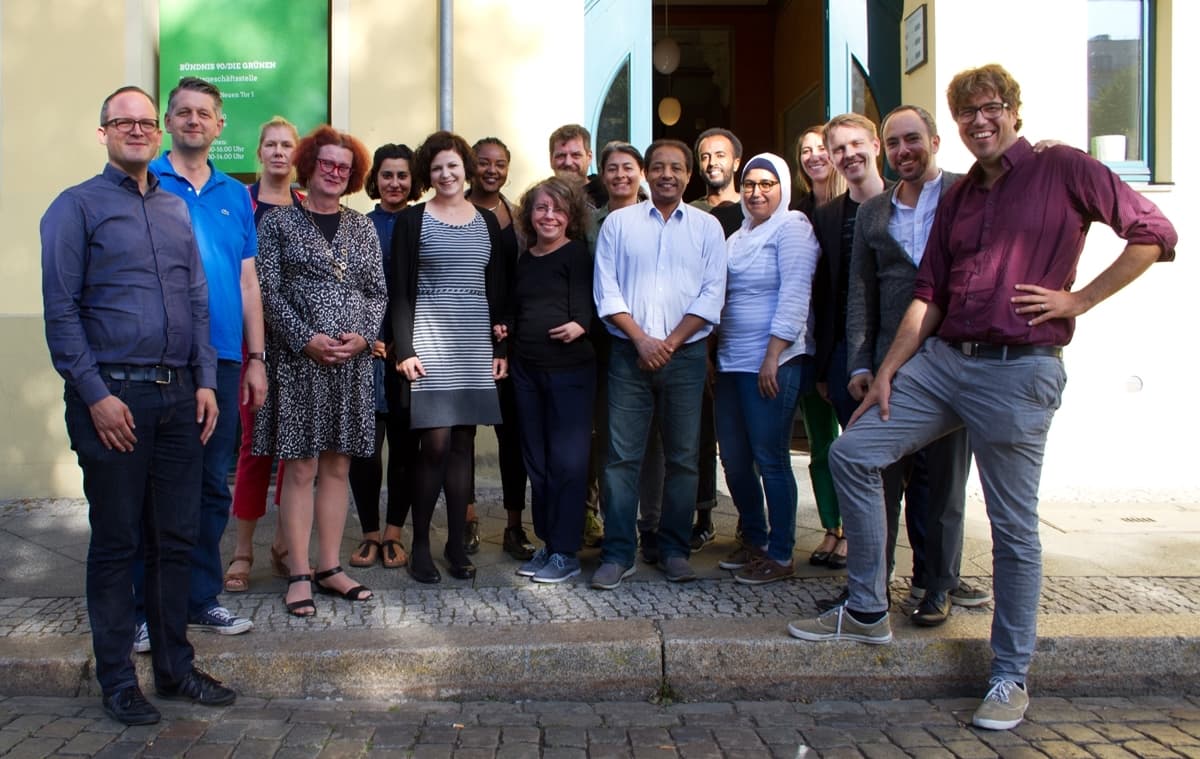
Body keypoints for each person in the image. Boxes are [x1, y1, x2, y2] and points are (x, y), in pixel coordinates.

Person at [787, 64, 1177, 733]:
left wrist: (1078, 299)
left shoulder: (1064, 168)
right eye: (967, 112)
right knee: (854, 452)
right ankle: (869, 608)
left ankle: (1009, 674)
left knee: (1011, 529)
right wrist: (886, 373)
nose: (979, 121)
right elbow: (927, 294)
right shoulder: (963, 196)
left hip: (1017, 369)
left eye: (989, 108)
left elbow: (1154, 234)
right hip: (941, 362)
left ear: (1013, 111)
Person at [41, 85, 236, 725]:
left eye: (145, 122)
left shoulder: (176, 212)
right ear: (102, 133)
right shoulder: (75, 208)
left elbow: (198, 302)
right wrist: (95, 396)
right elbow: (62, 313)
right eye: (122, 121)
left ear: (156, 135)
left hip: (181, 396)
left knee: (174, 538)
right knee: (119, 540)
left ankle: (176, 670)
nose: (136, 129)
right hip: (114, 398)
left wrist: (206, 381)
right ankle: (118, 678)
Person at [844, 105, 989, 625]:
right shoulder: (872, 212)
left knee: (944, 484)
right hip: (890, 363)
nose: (904, 151)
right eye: (895, 143)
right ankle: (870, 588)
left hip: (953, 359)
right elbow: (860, 290)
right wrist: (861, 361)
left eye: (913, 140)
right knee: (878, 478)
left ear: (934, 140)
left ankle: (935, 584)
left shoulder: (965, 194)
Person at [128, 77, 260, 647]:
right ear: (167, 122)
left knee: (211, 485)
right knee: (153, 487)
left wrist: (257, 357)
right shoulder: (145, 181)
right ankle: (141, 607)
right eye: (182, 112)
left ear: (220, 125)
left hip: (227, 358)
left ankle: (199, 597)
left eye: (204, 113)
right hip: (167, 358)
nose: (193, 121)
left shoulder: (236, 194)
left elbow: (249, 280)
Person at [254, 125, 386, 616]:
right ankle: (299, 573)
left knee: (338, 466)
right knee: (301, 467)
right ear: (308, 166)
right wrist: (305, 339)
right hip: (298, 364)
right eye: (327, 163)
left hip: (349, 365)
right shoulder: (278, 224)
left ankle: (330, 568)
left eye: (344, 167)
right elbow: (268, 291)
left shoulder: (361, 227)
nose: (335, 171)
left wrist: (362, 337)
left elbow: (377, 291)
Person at [591, 139, 727, 589]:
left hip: (685, 356)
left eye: (677, 167)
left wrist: (667, 342)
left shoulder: (707, 228)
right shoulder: (618, 223)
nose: (667, 174)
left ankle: (673, 549)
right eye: (659, 167)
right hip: (629, 356)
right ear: (646, 174)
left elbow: (712, 295)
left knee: (684, 459)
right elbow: (606, 292)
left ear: (690, 175)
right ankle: (617, 552)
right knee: (620, 458)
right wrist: (642, 340)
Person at [391, 131, 508, 584]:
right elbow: (398, 290)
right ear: (430, 173)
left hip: (474, 345)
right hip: (430, 344)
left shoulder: (486, 222)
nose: (446, 174)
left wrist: (500, 348)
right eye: (437, 168)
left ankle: (456, 545)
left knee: (462, 448)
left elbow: (495, 291)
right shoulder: (413, 221)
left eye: (453, 166)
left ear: (466, 170)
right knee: (434, 447)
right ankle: (420, 544)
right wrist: (404, 349)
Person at [713, 153, 820, 585]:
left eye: (767, 184)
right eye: (750, 184)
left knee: (770, 458)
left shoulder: (793, 228)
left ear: (783, 188)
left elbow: (796, 294)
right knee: (735, 462)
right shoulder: (736, 237)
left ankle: (781, 552)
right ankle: (755, 541)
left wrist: (773, 354)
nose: (756, 192)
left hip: (772, 362)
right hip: (730, 362)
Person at [224, 116, 304, 594]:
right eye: (270, 144)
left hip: (296, 343)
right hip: (249, 339)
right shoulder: (240, 203)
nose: (278, 152)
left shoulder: (306, 206)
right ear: (258, 152)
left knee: (295, 448)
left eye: (286, 145)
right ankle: (243, 548)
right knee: (255, 444)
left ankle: (285, 545)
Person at [809, 113, 890, 573]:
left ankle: (927, 576)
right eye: (838, 149)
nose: (848, 155)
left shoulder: (906, 199)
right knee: (855, 464)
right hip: (844, 354)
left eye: (855, 144)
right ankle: (867, 575)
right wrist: (824, 367)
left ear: (875, 145)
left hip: (905, 352)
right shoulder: (826, 217)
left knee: (908, 473)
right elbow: (824, 294)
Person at [506, 177, 595, 583]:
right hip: (527, 371)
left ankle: (566, 551)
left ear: (571, 216)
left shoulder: (577, 255)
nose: (549, 216)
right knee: (536, 462)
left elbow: (589, 306)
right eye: (541, 208)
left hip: (569, 372)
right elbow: (515, 308)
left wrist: (580, 325)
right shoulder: (526, 259)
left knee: (568, 463)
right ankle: (548, 542)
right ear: (530, 215)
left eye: (558, 209)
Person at [347, 143, 423, 571]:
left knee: (406, 447)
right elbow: (353, 287)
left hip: (411, 352)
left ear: (413, 182)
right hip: (366, 351)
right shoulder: (358, 225)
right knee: (366, 449)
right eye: (387, 175)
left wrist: (404, 341)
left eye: (403, 176)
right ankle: (369, 533)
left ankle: (395, 532)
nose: (395, 183)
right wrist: (366, 336)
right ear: (375, 179)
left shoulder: (423, 221)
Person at [466, 137, 536, 561]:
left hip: (509, 338)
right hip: (464, 337)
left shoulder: (521, 218)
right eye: (484, 162)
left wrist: (512, 329)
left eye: (500, 163)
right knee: (464, 435)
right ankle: (468, 517)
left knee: (513, 436)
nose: (491, 170)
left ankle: (514, 525)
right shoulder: (454, 211)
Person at [791, 126, 847, 569]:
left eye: (820, 149)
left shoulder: (860, 205)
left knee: (858, 446)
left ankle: (855, 531)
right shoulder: (798, 213)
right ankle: (832, 527)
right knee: (821, 443)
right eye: (805, 151)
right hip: (812, 341)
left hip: (852, 339)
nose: (813, 156)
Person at [692, 127, 745, 238]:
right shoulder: (690, 213)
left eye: (720, 155)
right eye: (705, 157)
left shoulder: (752, 208)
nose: (712, 162)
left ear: (736, 164)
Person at [550, 123, 607, 209]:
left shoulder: (608, 198)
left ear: (589, 157)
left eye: (576, 155)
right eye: (561, 156)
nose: (568, 162)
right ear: (551, 159)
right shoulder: (540, 199)